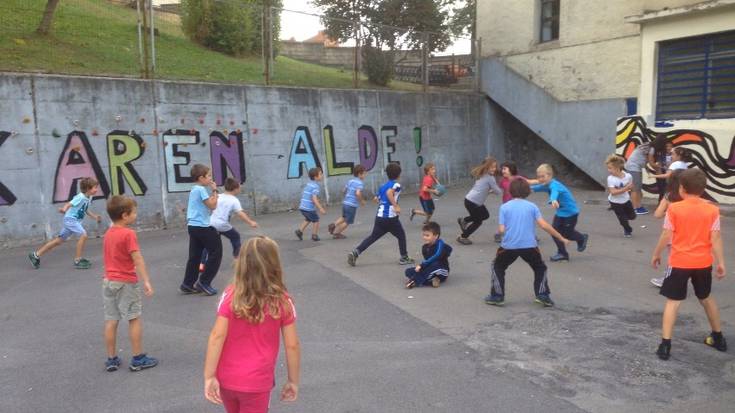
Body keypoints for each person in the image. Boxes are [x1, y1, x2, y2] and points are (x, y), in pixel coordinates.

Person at [204, 236, 300, 413]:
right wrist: (292, 380)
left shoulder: (230, 296)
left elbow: (217, 336)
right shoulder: (283, 302)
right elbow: (292, 345)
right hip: (257, 382)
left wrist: (209, 376)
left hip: (227, 378)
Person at [651, 168, 727, 360]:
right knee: (706, 298)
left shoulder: (674, 209)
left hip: (679, 262)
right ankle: (718, 337)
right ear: (702, 189)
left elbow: (667, 234)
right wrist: (721, 262)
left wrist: (656, 254)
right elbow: (716, 237)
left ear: (682, 188)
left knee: (673, 302)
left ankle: (665, 345)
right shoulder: (712, 209)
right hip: (703, 262)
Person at [484, 179, 570, 307]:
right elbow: (544, 225)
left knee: (498, 267)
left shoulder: (504, 207)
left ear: (510, 191)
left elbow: (502, 229)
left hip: (509, 246)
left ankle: (497, 296)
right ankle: (542, 295)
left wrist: (501, 232)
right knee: (540, 267)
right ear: (528, 192)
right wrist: (561, 237)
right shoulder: (532, 206)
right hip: (529, 246)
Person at [102, 195, 157, 372]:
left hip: (108, 281)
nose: (135, 215)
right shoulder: (128, 234)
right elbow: (137, 259)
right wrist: (146, 281)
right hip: (126, 282)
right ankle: (138, 358)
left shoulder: (108, 233)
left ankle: (111, 359)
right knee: (134, 318)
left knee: (111, 320)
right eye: (134, 213)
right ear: (125, 215)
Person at [348, 163, 415, 267]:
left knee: (372, 237)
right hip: (390, 218)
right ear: (398, 175)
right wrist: (395, 205)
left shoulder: (382, 186)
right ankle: (404, 257)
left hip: (380, 217)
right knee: (401, 235)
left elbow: (376, 199)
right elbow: (389, 193)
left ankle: (356, 252)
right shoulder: (396, 185)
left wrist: (383, 201)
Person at [29, 177, 102, 270]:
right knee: (84, 235)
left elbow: (85, 209)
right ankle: (78, 260)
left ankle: (35, 255)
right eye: (95, 187)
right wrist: (64, 209)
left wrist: (95, 216)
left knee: (58, 241)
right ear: (88, 188)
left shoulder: (88, 197)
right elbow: (69, 204)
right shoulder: (80, 197)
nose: (96, 189)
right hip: (71, 220)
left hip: (73, 221)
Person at [530, 164, 589, 262]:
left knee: (566, 234)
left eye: (543, 176)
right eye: (539, 177)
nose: (540, 179)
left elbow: (554, 192)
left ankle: (581, 238)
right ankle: (562, 253)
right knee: (554, 232)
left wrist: (553, 199)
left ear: (550, 175)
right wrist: (522, 187)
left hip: (571, 213)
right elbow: (534, 188)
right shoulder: (546, 185)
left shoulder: (554, 185)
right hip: (560, 213)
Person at [180, 164, 222, 296]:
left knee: (195, 256)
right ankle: (204, 281)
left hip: (193, 226)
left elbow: (207, 204)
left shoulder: (194, 189)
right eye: (208, 176)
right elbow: (212, 205)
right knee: (216, 251)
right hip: (202, 226)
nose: (210, 178)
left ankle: (188, 283)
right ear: (201, 178)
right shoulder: (201, 189)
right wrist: (215, 190)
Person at [650, 170, 684, 288]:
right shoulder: (690, 195)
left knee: (673, 258)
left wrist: (668, 212)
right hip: (688, 232)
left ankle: (668, 279)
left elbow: (657, 214)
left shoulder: (669, 196)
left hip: (672, 232)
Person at [456, 157, 502, 245]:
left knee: (485, 215)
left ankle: (464, 220)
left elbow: (483, 188)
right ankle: (463, 237)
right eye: (491, 167)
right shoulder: (490, 178)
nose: (494, 169)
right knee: (478, 221)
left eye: (495, 167)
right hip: (473, 202)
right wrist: (503, 186)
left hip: (470, 200)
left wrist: (490, 190)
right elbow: (498, 191)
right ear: (486, 167)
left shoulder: (482, 174)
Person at [209, 177, 258, 258]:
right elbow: (240, 213)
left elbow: (210, 204)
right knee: (235, 236)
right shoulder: (234, 200)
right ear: (235, 189)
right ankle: (238, 257)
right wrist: (251, 222)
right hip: (222, 224)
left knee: (209, 243)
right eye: (239, 187)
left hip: (210, 223)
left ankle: (202, 264)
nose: (240, 189)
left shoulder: (218, 196)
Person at [624, 137, 666, 215]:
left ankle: (639, 206)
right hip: (633, 167)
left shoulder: (648, 146)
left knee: (638, 188)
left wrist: (648, 170)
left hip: (635, 167)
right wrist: (662, 168)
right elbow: (651, 163)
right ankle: (635, 208)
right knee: (635, 189)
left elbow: (644, 160)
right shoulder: (652, 149)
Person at [405, 222, 453, 289]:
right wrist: (421, 268)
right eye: (423, 235)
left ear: (436, 236)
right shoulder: (424, 247)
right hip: (431, 269)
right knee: (408, 271)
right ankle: (433, 280)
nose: (424, 237)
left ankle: (414, 281)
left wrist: (421, 265)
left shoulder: (440, 244)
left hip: (442, 270)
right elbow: (427, 261)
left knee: (434, 264)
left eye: (427, 235)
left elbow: (437, 255)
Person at [328, 165, 367, 239]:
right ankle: (337, 233)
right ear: (359, 174)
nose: (365, 175)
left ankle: (333, 225)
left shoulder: (350, 181)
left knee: (344, 217)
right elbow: (358, 193)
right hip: (351, 205)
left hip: (345, 203)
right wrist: (362, 201)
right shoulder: (359, 183)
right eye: (364, 173)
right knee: (348, 221)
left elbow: (343, 190)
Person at [494, 161, 527, 242]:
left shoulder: (518, 178)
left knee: (521, 218)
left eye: (505, 169)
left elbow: (529, 181)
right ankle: (498, 234)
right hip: (507, 204)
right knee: (506, 220)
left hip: (518, 203)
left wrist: (541, 181)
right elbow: (499, 188)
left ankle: (530, 235)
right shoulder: (503, 181)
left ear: (511, 169)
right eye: (502, 169)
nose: (503, 171)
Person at [605, 154, 636, 237]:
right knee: (622, 218)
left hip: (625, 200)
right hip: (615, 201)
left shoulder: (628, 176)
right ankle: (627, 230)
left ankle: (624, 217)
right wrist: (626, 188)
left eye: (610, 168)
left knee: (632, 216)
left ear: (617, 168)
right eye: (608, 168)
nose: (608, 170)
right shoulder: (610, 179)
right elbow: (613, 192)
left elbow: (631, 187)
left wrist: (630, 190)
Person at [295, 167, 326, 242]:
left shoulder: (309, 184)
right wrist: (321, 208)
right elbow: (314, 199)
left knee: (308, 219)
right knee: (316, 220)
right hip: (308, 208)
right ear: (315, 177)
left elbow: (308, 195)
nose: (322, 175)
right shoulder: (315, 186)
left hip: (303, 207)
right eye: (320, 174)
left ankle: (299, 231)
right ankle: (314, 235)